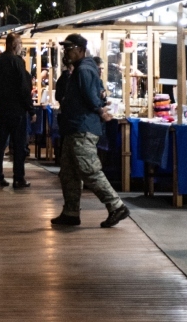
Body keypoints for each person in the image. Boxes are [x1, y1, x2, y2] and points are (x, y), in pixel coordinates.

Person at [51, 33, 130, 228]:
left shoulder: (84, 70)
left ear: (80, 49)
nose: (66, 52)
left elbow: (90, 95)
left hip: (82, 128)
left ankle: (116, 205)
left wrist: (100, 110)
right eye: (65, 49)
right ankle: (71, 212)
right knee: (68, 172)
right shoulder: (81, 69)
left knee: (89, 170)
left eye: (69, 49)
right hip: (74, 127)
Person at [0, 34, 33, 187]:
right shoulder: (17, 62)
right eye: (20, 43)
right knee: (19, 145)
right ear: (14, 45)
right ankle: (18, 177)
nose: (22, 46)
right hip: (17, 109)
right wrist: (30, 109)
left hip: (1, 109)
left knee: (0, 144)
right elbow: (23, 87)